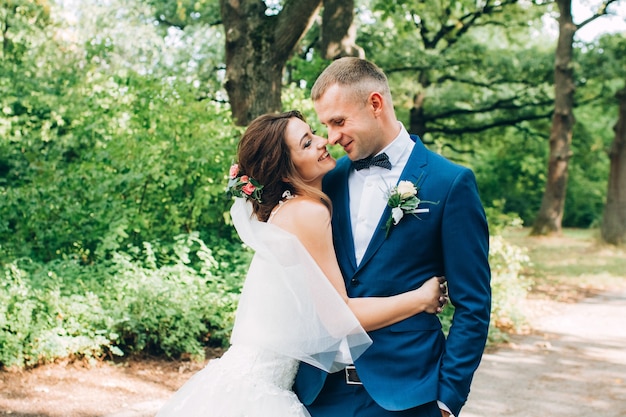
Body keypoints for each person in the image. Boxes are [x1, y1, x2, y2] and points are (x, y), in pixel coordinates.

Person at [154, 110, 448, 417]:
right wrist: (420, 299)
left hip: (244, 376)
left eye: (313, 134)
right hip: (261, 391)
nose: (324, 141)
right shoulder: (309, 212)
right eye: (307, 143)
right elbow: (340, 317)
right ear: (284, 171)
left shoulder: (280, 210)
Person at [293, 58, 492, 417]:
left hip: (407, 396)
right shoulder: (327, 180)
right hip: (320, 394)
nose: (331, 137)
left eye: (338, 121)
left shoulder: (449, 183)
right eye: (325, 125)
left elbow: (474, 304)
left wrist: (448, 399)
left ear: (375, 103)